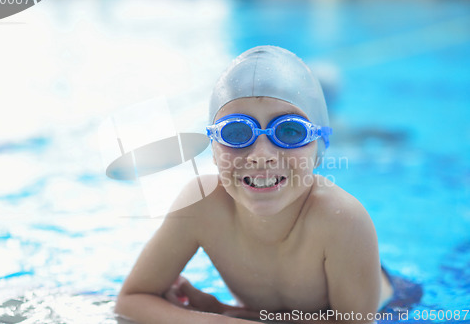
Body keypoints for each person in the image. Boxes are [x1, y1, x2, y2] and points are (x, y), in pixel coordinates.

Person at [114, 46, 394, 323]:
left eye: (290, 131)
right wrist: (223, 318)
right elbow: (132, 299)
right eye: (236, 132)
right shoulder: (202, 204)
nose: (261, 156)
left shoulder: (342, 218)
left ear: (319, 149)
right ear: (213, 149)